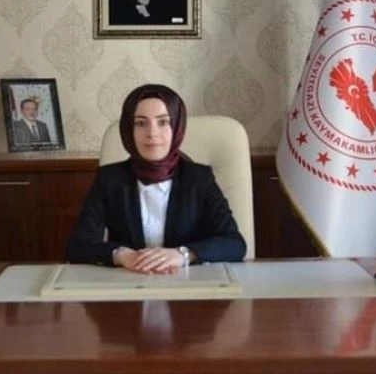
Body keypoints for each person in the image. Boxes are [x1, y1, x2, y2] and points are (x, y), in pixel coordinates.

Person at [66, 84, 246, 273]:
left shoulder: (199, 179)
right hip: (129, 280)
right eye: (140, 123)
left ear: (176, 127)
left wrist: (183, 254)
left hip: (187, 282)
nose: (152, 133)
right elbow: (77, 245)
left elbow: (234, 243)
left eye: (162, 122)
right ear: (128, 129)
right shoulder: (109, 179)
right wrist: (122, 255)